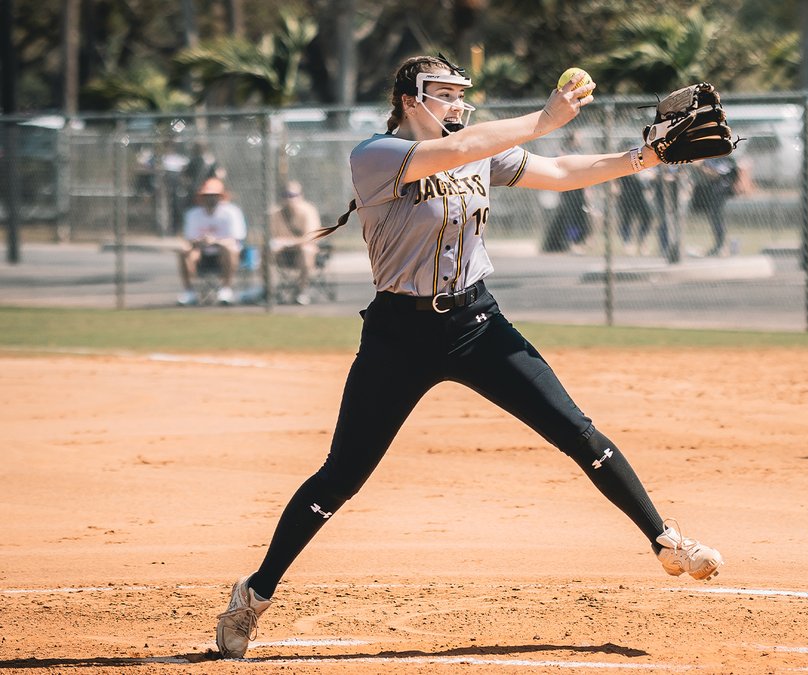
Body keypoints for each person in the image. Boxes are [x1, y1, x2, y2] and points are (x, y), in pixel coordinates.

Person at [213, 54, 724, 659]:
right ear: (409, 99)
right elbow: (458, 154)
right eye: (445, 94)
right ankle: (255, 595)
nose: (458, 105)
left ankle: (666, 540)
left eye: (462, 95)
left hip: (476, 323)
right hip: (399, 335)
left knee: (576, 430)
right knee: (341, 477)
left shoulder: (474, 146)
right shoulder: (374, 155)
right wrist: (543, 116)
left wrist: (648, 157)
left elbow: (559, 171)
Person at [177, 177, 246, 306]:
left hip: (223, 255)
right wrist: (203, 240)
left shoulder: (231, 212)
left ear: (221, 196)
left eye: (214, 195)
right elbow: (190, 239)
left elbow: (237, 238)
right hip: (201, 255)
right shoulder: (193, 214)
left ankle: (226, 290)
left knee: (230, 248)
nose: (210, 199)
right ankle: (189, 292)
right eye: (207, 195)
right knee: (184, 250)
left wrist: (215, 241)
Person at [268, 180, 322, 305]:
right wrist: (278, 243)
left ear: (300, 196)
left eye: (293, 195)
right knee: (267, 250)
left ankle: (302, 291)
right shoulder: (275, 213)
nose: (289, 199)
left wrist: (289, 242)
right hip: (283, 254)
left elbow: (311, 236)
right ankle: (269, 291)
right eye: (286, 195)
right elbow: (272, 236)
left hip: (303, 252)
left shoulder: (308, 210)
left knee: (306, 250)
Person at [690, 155, 739, 256]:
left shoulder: (726, 158)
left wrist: (700, 166)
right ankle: (719, 245)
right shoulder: (709, 157)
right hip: (712, 193)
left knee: (718, 218)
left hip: (722, 192)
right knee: (715, 218)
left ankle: (722, 246)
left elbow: (716, 174)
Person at [616, 172, 653, 254]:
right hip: (627, 192)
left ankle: (642, 241)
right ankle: (627, 242)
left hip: (641, 194)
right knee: (627, 219)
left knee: (648, 217)